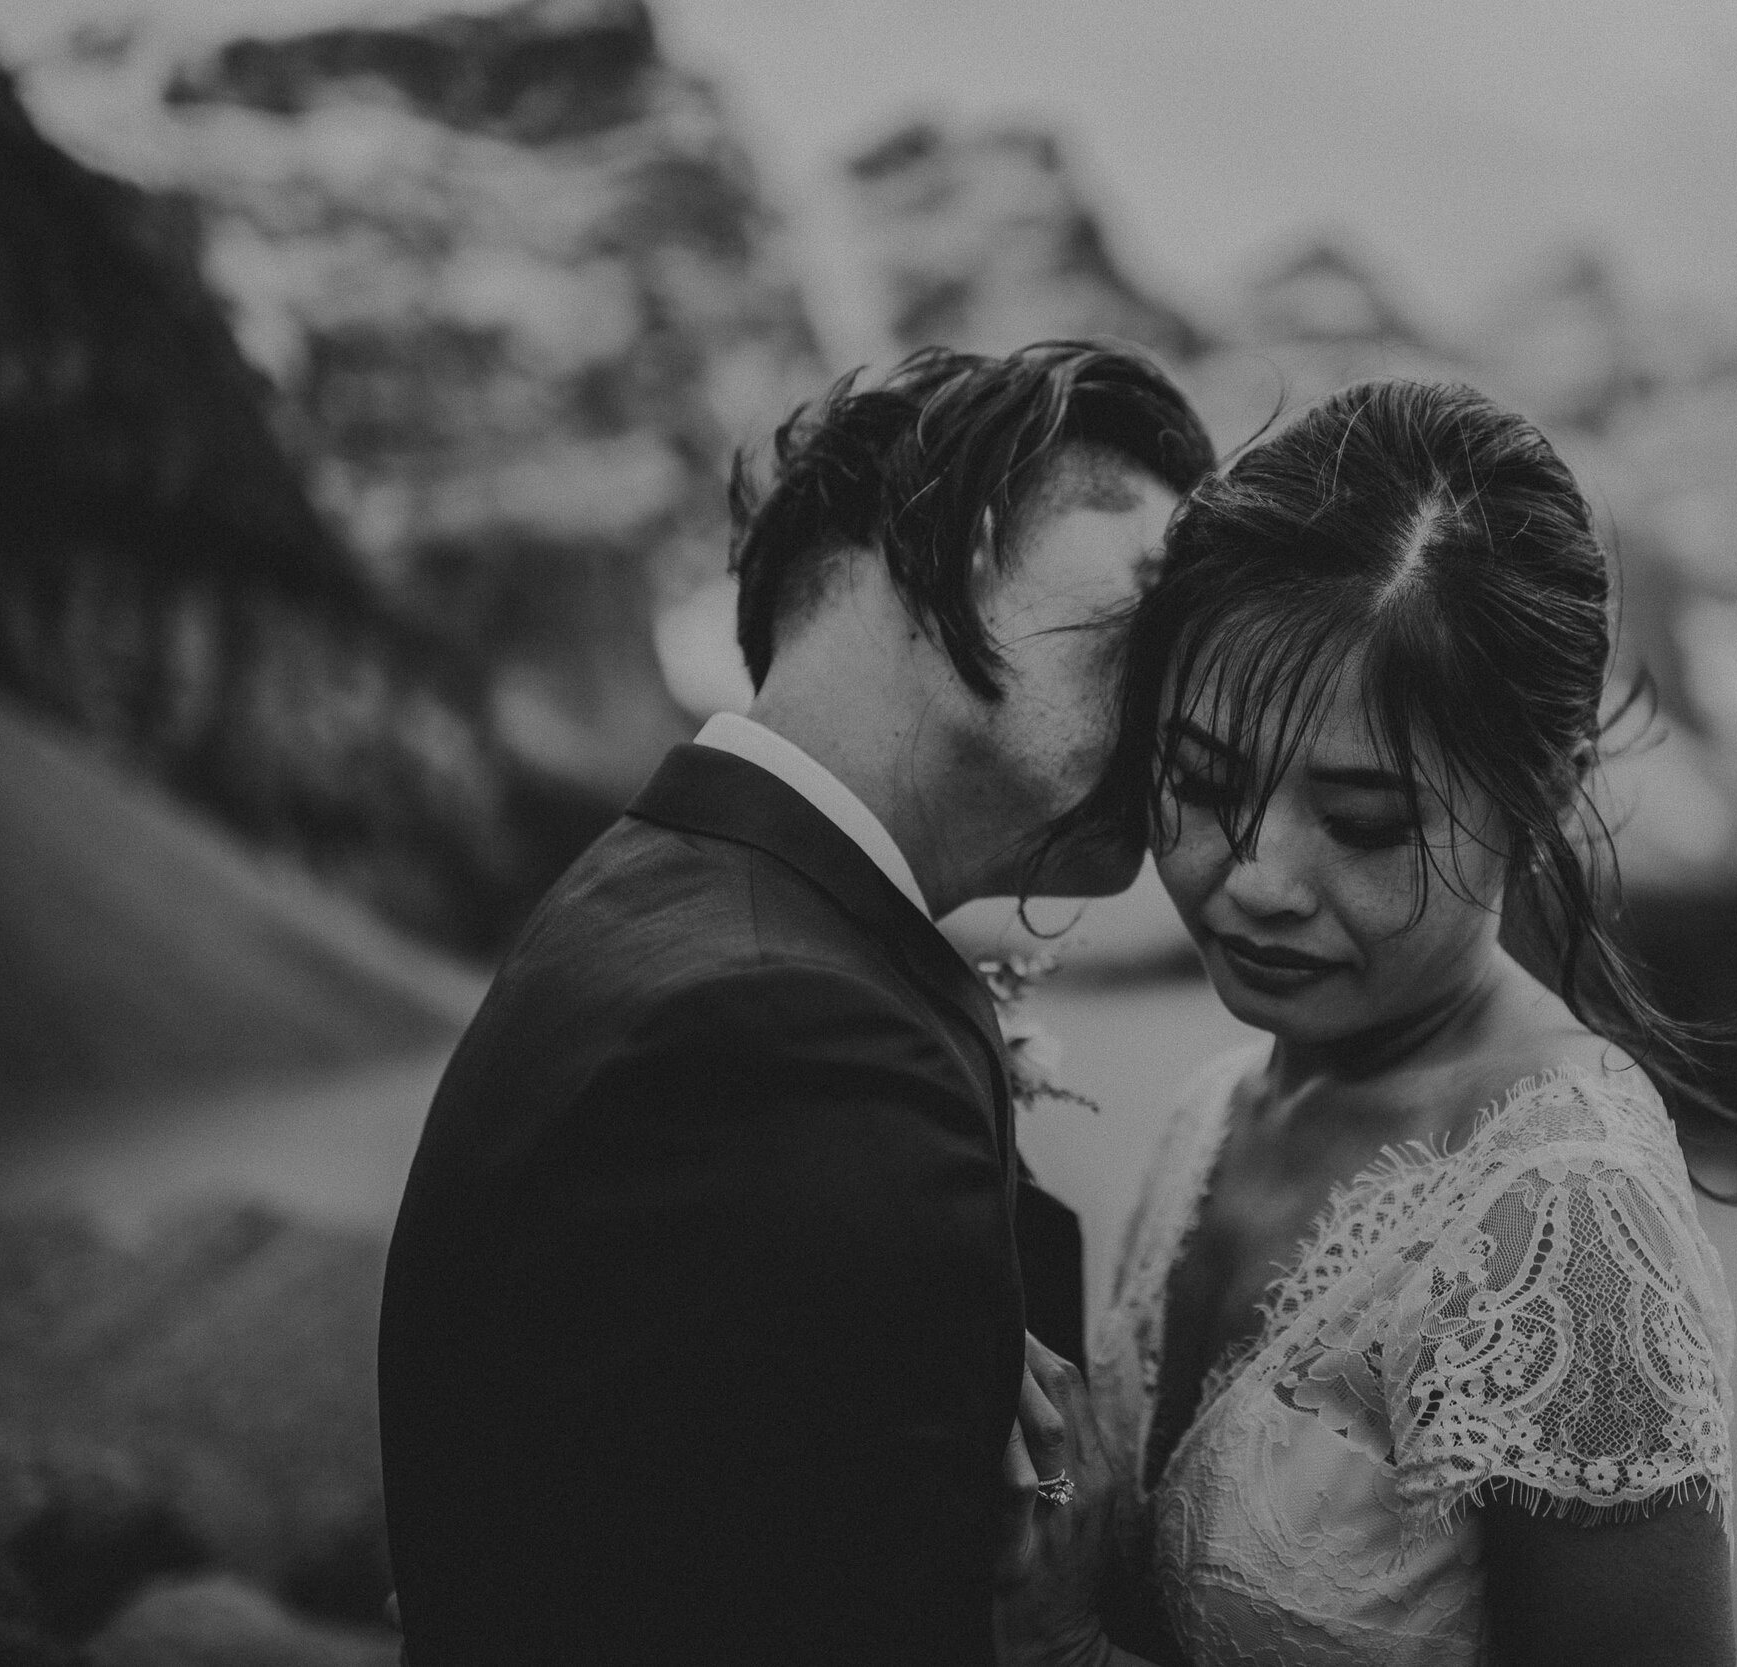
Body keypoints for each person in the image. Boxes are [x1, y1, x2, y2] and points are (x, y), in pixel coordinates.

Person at [377, 341, 1212, 1666]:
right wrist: (1068, 1534)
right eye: (1155, 605)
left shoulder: (694, 906)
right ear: (967, 540)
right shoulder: (781, 1039)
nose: (1187, 700)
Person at [1000, 380, 1737, 1666]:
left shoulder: (1567, 1214)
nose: (1256, 878)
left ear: (1537, 791)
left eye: (1363, 821)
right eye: (1201, 781)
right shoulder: (1216, 1108)